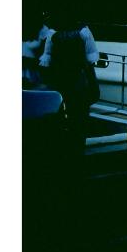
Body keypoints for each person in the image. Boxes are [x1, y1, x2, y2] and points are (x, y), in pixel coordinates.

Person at [39, 14, 100, 165]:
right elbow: (90, 60)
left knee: (59, 115)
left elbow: (47, 60)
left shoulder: (53, 34)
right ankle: (78, 151)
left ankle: (62, 151)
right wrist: (94, 84)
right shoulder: (84, 31)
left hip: (60, 79)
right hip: (78, 80)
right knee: (80, 117)